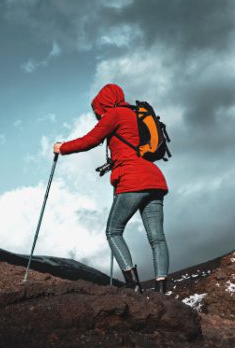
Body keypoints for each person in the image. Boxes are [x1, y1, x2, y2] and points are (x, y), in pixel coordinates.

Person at [53, 83, 170, 294]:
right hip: (155, 180)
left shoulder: (115, 114)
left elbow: (90, 140)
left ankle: (133, 285)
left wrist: (62, 148)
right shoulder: (136, 114)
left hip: (132, 179)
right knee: (157, 237)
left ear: (103, 102)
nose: (98, 113)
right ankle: (162, 289)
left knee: (113, 231)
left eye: (98, 108)